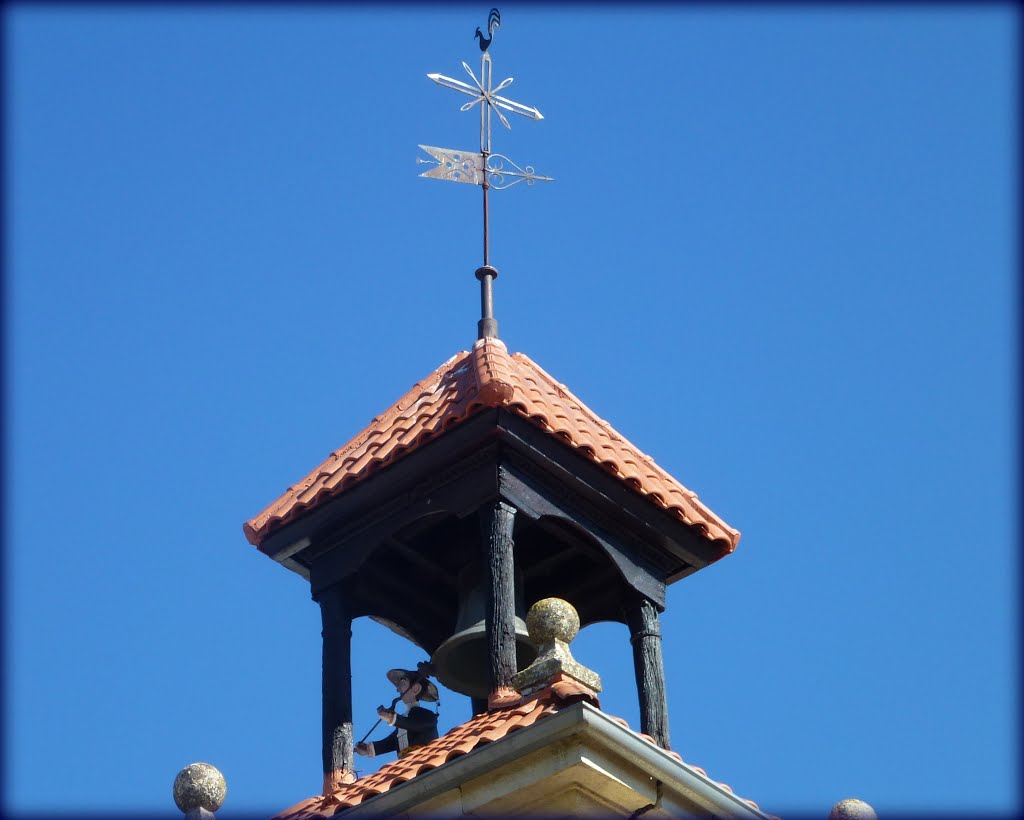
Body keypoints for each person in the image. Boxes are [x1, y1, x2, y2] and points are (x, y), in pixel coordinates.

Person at [354, 665, 439, 760]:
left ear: (415, 688)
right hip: (405, 765)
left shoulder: (425, 715)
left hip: (423, 761)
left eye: (402, 683)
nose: (397, 689)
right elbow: (391, 742)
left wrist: (393, 718)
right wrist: (368, 749)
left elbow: (415, 724)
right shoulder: (404, 720)